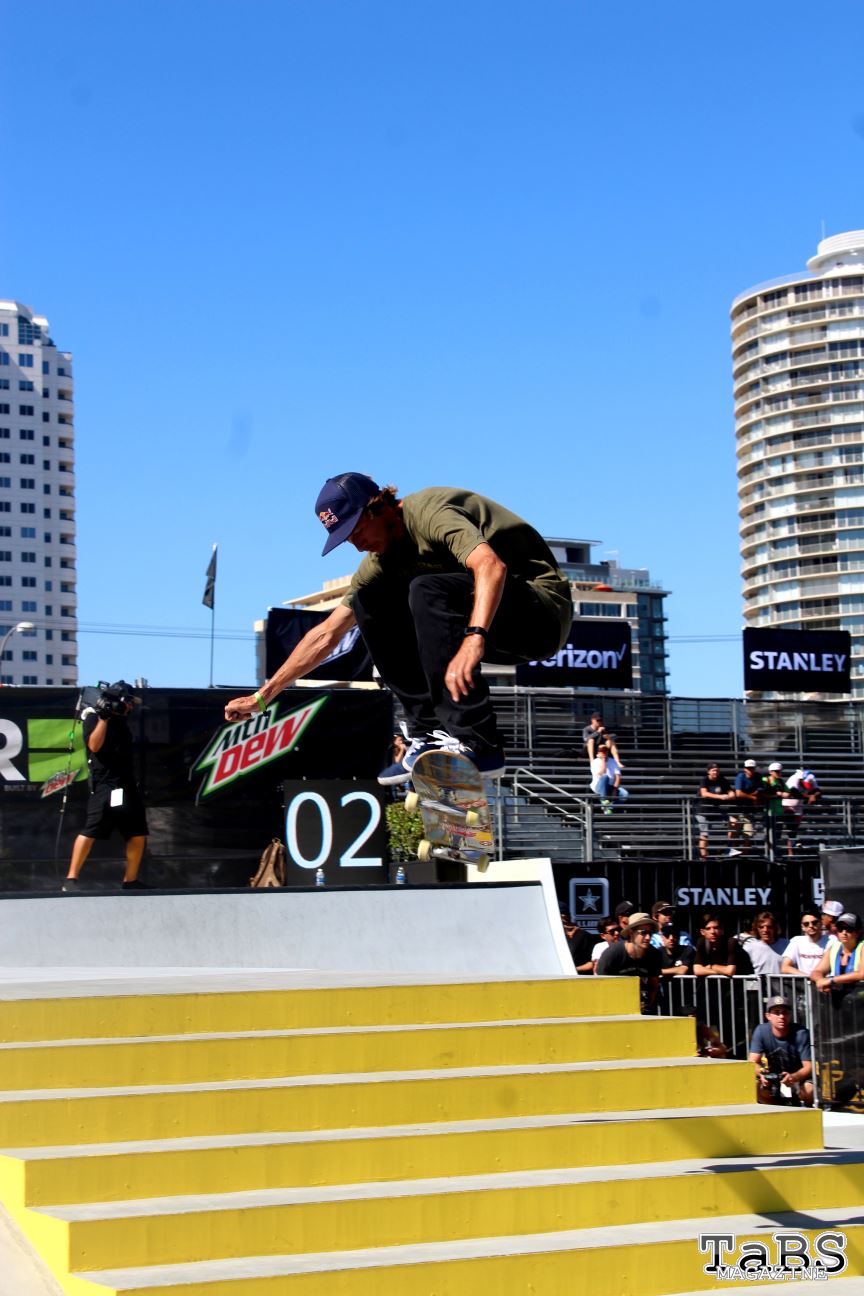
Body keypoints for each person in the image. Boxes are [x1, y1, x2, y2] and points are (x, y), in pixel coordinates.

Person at [224, 475, 572, 785]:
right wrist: (263, 696)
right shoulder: (380, 562)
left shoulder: (430, 513)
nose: (357, 544)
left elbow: (490, 565)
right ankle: (430, 733)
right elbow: (327, 633)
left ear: (377, 507)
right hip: (487, 625)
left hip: (539, 614)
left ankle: (479, 742)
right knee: (368, 600)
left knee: (426, 589)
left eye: (356, 530)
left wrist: (475, 636)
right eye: (347, 539)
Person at [63, 681, 147, 891]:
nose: (131, 706)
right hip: (105, 784)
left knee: (137, 832)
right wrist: (104, 718)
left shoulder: (123, 722)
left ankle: (130, 880)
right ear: (118, 700)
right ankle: (71, 880)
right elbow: (94, 745)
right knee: (91, 829)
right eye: (128, 702)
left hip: (126, 784)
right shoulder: (93, 717)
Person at [748, 994, 814, 1107]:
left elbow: (809, 1067)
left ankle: (808, 1113)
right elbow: (752, 1063)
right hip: (774, 1078)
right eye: (777, 1012)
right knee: (754, 1087)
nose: (781, 1016)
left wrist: (793, 1077)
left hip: (799, 1078)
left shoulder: (801, 1033)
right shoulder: (761, 1031)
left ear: (790, 1015)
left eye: (785, 1012)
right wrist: (762, 1073)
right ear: (768, 1016)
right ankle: (778, 1110)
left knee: (809, 1090)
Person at [595, 911, 662, 1011]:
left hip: (641, 1010)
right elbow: (600, 985)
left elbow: (653, 986)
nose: (648, 937)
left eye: (650, 933)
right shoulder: (612, 954)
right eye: (643, 933)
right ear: (631, 933)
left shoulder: (654, 955)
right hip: (614, 1008)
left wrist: (647, 1006)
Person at [812, 911, 864, 996]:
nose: (844, 932)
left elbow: (862, 974)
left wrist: (831, 980)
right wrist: (820, 981)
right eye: (840, 928)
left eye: (849, 929)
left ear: (858, 932)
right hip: (839, 1000)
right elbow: (817, 971)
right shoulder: (834, 948)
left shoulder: (862, 947)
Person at [694, 762, 736, 861]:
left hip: (715, 810)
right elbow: (704, 793)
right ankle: (704, 859)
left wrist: (731, 795)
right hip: (702, 810)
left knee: (734, 821)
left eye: (717, 770)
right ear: (708, 772)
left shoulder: (722, 779)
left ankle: (728, 848)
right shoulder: (705, 780)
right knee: (704, 834)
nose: (715, 772)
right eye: (713, 770)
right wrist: (720, 796)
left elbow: (731, 792)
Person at [693, 912, 754, 977]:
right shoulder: (701, 942)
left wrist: (712, 966)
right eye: (708, 929)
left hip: (743, 981)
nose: (712, 932)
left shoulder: (731, 942)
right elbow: (697, 970)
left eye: (716, 928)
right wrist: (720, 972)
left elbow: (730, 971)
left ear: (722, 930)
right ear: (702, 932)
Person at [782, 767, 821, 855]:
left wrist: (814, 795)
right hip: (787, 805)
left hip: (799, 806)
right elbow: (794, 792)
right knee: (790, 828)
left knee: (795, 828)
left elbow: (818, 791)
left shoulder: (811, 778)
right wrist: (809, 797)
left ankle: (792, 848)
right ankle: (790, 851)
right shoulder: (794, 779)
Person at [781, 910, 829, 977]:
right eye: (806, 924)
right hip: (805, 982)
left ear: (821, 923)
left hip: (825, 982)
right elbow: (785, 967)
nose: (811, 926)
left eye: (814, 923)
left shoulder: (831, 940)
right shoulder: (796, 941)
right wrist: (808, 977)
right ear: (802, 927)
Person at [730, 758, 762, 857]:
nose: (750, 770)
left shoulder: (757, 777)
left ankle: (745, 854)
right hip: (737, 809)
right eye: (748, 768)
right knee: (735, 831)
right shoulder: (740, 777)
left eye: (752, 768)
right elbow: (738, 793)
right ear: (745, 769)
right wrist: (752, 797)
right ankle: (732, 851)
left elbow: (760, 789)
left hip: (749, 810)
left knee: (748, 833)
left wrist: (750, 795)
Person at [742, 910, 786, 974]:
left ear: (775, 928)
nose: (765, 930)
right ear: (757, 929)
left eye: (769, 927)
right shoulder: (749, 948)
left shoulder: (787, 945)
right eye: (761, 927)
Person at [589, 743, 628, 813]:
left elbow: (618, 776)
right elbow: (602, 773)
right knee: (605, 777)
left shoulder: (613, 761)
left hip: (610, 786)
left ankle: (610, 807)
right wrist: (603, 761)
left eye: (605, 751)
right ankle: (604, 803)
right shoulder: (594, 762)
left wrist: (614, 789)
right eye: (601, 751)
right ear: (598, 752)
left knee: (624, 794)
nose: (604, 753)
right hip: (598, 786)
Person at [559, 901, 594, 974]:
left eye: (564, 914)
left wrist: (573, 969)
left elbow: (592, 963)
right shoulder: (552, 937)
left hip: (578, 977)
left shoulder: (584, 935)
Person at [761, 762, 787, 861]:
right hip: (768, 811)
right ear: (770, 772)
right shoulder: (765, 780)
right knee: (768, 833)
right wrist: (776, 795)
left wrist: (784, 794)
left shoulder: (781, 781)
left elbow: (787, 792)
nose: (778, 773)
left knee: (777, 834)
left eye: (779, 771)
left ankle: (774, 852)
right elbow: (762, 794)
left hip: (778, 811)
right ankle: (768, 853)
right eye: (776, 771)